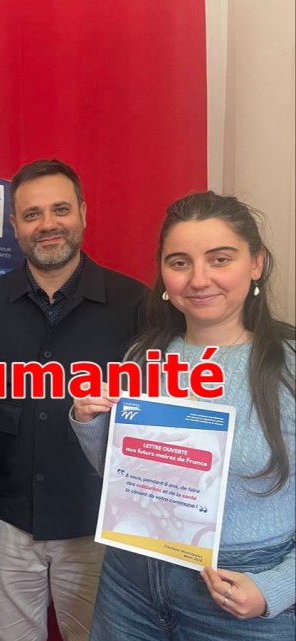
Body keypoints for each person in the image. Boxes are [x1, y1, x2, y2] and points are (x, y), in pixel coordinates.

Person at [71, 191, 295, 639]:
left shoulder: (287, 366)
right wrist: (89, 421)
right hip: (131, 581)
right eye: (179, 263)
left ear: (256, 263)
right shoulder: (143, 355)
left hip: (240, 589)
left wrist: (277, 586)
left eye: (220, 259)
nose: (199, 279)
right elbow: (126, 481)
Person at [0, 159, 148, 641]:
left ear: (83, 212)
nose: (47, 224)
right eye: (32, 214)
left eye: (60, 209)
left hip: (97, 525)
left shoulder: (137, 305)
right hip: (6, 523)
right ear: (14, 225)